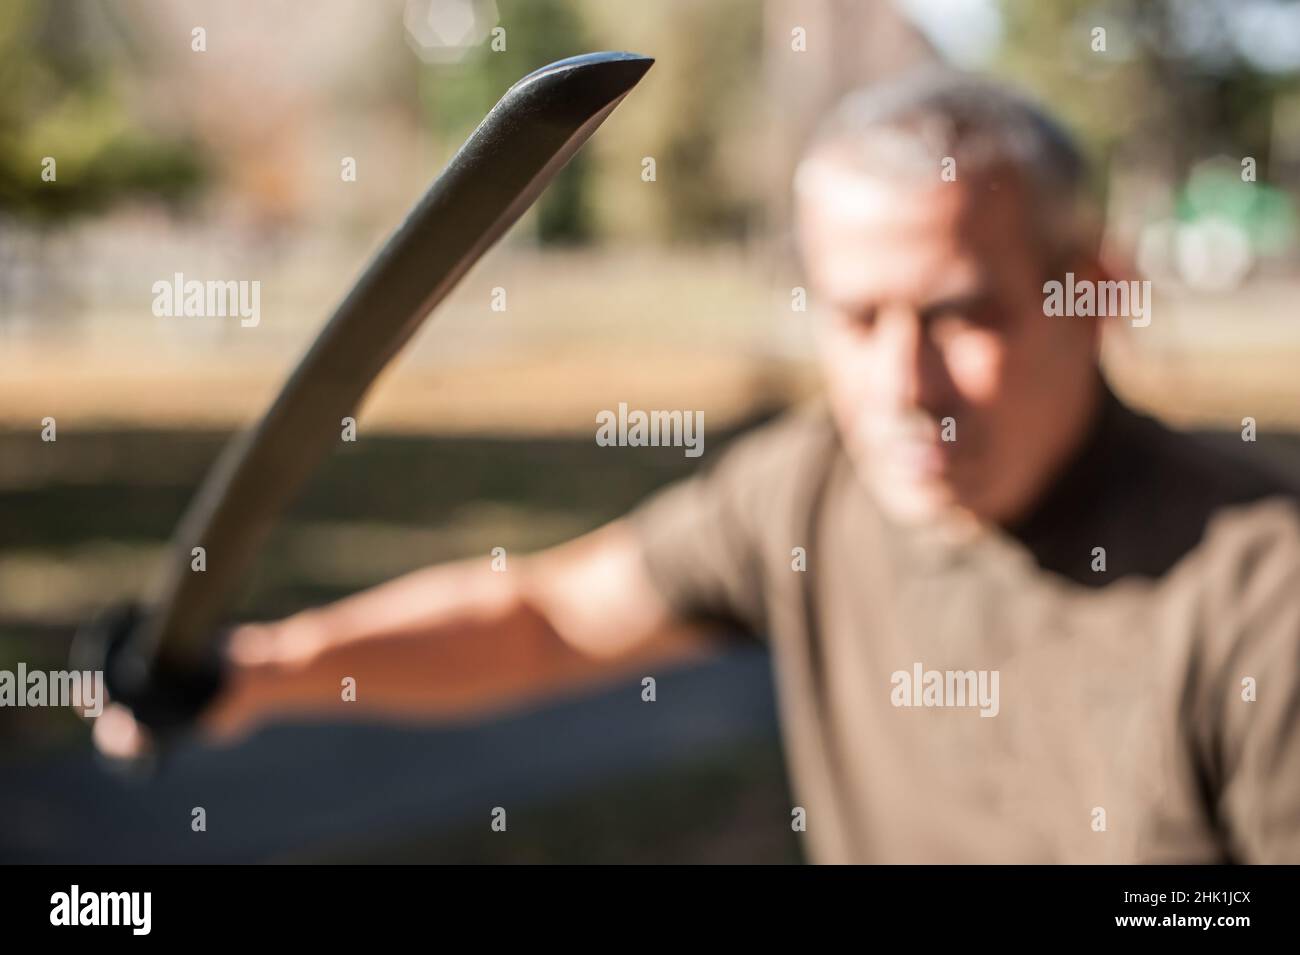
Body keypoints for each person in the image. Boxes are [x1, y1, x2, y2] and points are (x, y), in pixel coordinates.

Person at [95, 71, 1300, 863]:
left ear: (1096, 286)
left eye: (960, 315)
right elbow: (546, 618)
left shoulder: (1263, 596)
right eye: (855, 317)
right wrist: (259, 672)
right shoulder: (806, 490)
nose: (901, 383)